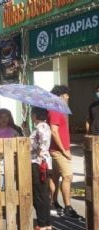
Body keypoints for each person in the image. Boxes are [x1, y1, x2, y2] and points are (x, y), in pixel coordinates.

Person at [48, 85, 80, 218]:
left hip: (58, 149)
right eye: (66, 95)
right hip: (58, 150)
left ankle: (53, 203)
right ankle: (68, 207)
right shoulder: (55, 110)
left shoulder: (59, 109)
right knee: (68, 176)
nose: (68, 97)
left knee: (55, 177)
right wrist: (64, 150)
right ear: (60, 95)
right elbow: (54, 131)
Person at [0, 108, 23, 190]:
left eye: (6, 117)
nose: (3, 119)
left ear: (9, 118)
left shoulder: (14, 132)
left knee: (9, 187)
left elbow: (19, 147)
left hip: (11, 162)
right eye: (1, 117)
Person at [29, 107, 52, 230]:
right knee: (43, 193)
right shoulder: (45, 126)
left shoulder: (40, 127)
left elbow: (38, 145)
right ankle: (46, 222)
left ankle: (42, 223)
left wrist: (37, 149)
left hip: (38, 163)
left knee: (39, 194)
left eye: (32, 114)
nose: (32, 116)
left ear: (35, 115)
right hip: (44, 162)